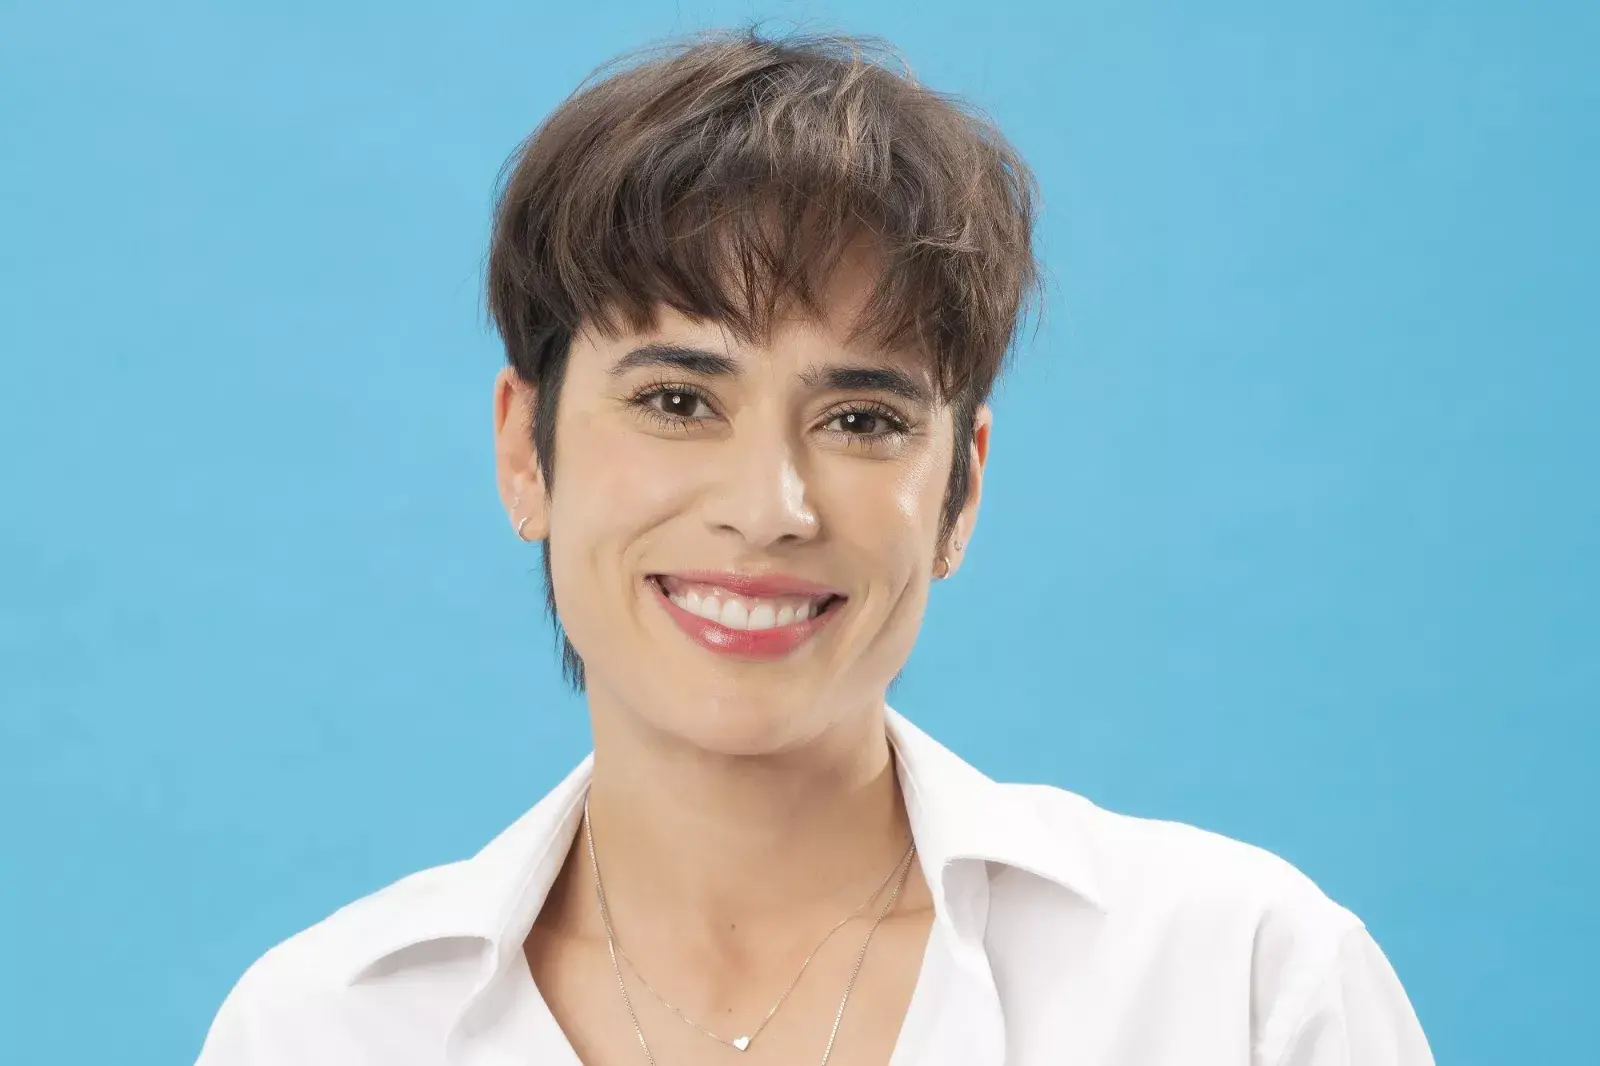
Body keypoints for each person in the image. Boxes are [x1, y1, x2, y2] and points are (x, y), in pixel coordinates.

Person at [195, 28, 1434, 1066]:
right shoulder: (321, 1030)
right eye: (678, 400)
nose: (770, 506)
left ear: (960, 492)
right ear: (526, 451)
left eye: (861, 420)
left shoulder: (1239, 985)